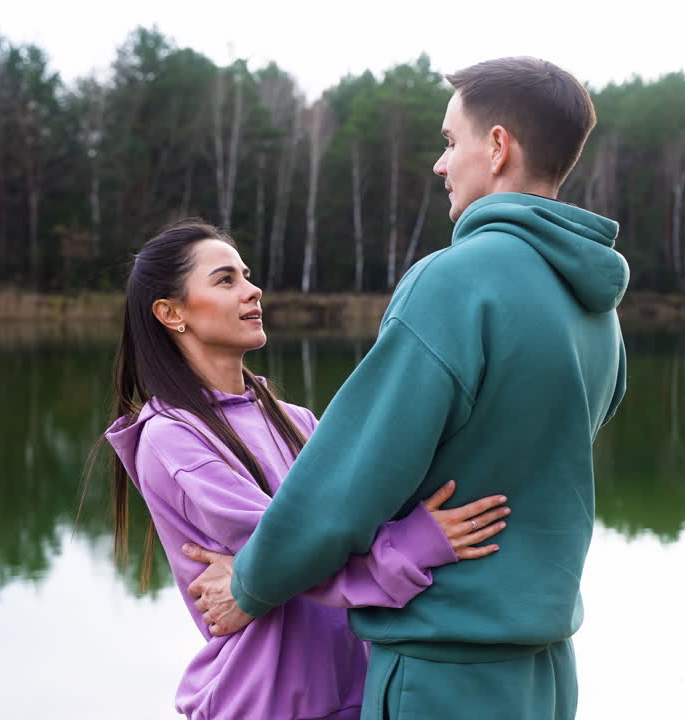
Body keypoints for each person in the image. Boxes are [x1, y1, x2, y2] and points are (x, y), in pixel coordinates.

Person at [184, 57, 628, 720]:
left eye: (450, 142)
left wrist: (251, 582)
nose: (439, 165)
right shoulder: (596, 309)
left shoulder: (454, 283)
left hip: (442, 676)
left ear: (499, 146)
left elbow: (344, 485)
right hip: (544, 675)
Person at [101, 221, 512, 719]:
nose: (253, 290)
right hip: (269, 703)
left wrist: (248, 579)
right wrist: (416, 545)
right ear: (171, 313)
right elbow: (294, 547)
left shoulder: (295, 420)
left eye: (247, 276)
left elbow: (345, 524)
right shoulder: (170, 440)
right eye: (225, 280)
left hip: (360, 693)